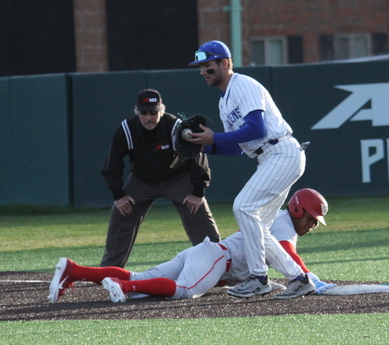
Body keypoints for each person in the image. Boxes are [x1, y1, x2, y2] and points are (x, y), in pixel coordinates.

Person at [48, 188, 333, 303]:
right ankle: (123, 287)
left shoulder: (279, 219)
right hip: (218, 259)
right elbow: (288, 254)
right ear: (297, 209)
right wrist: (309, 279)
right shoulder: (284, 223)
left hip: (208, 255)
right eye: (311, 218)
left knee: (141, 276)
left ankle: (74, 270)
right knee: (184, 291)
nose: (312, 224)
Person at [185, 40, 310, 299]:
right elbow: (237, 147)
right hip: (271, 157)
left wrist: (214, 137)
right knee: (258, 227)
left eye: (207, 65)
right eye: (200, 67)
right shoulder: (224, 102)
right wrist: (202, 146)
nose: (202, 71)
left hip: (281, 152)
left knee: (243, 207)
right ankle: (299, 279)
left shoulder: (243, 84)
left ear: (225, 63)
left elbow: (256, 129)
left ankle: (258, 278)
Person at [100, 88, 220, 268]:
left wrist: (198, 192)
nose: (148, 117)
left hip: (177, 178)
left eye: (153, 112)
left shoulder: (176, 127)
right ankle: (109, 271)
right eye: (144, 113)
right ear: (136, 111)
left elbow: (197, 157)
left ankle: (220, 266)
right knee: (121, 215)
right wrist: (118, 195)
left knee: (199, 214)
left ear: (161, 111)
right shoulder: (127, 128)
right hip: (141, 180)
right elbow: (113, 162)